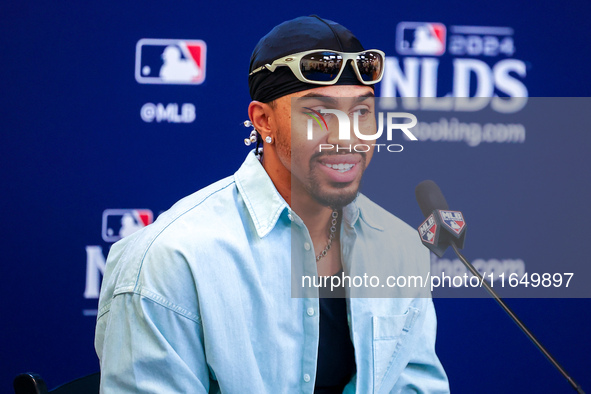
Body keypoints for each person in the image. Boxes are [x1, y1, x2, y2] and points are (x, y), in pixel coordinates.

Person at [95, 15, 449, 393]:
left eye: (361, 111)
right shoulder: (171, 258)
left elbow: (415, 383)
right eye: (319, 113)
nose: (348, 136)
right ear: (263, 120)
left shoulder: (398, 245)